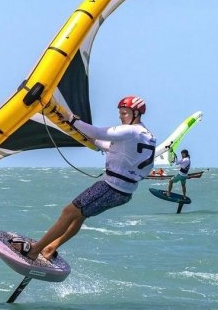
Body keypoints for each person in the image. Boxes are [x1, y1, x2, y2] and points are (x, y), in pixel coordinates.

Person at [11, 96, 156, 261]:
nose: (121, 116)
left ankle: (34, 250)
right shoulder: (146, 135)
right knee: (79, 216)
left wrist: (70, 118)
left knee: (68, 212)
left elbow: (98, 132)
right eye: (120, 113)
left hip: (110, 188)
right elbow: (107, 145)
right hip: (124, 193)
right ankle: (51, 247)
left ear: (136, 113)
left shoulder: (131, 130)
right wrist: (82, 134)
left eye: (124, 113)